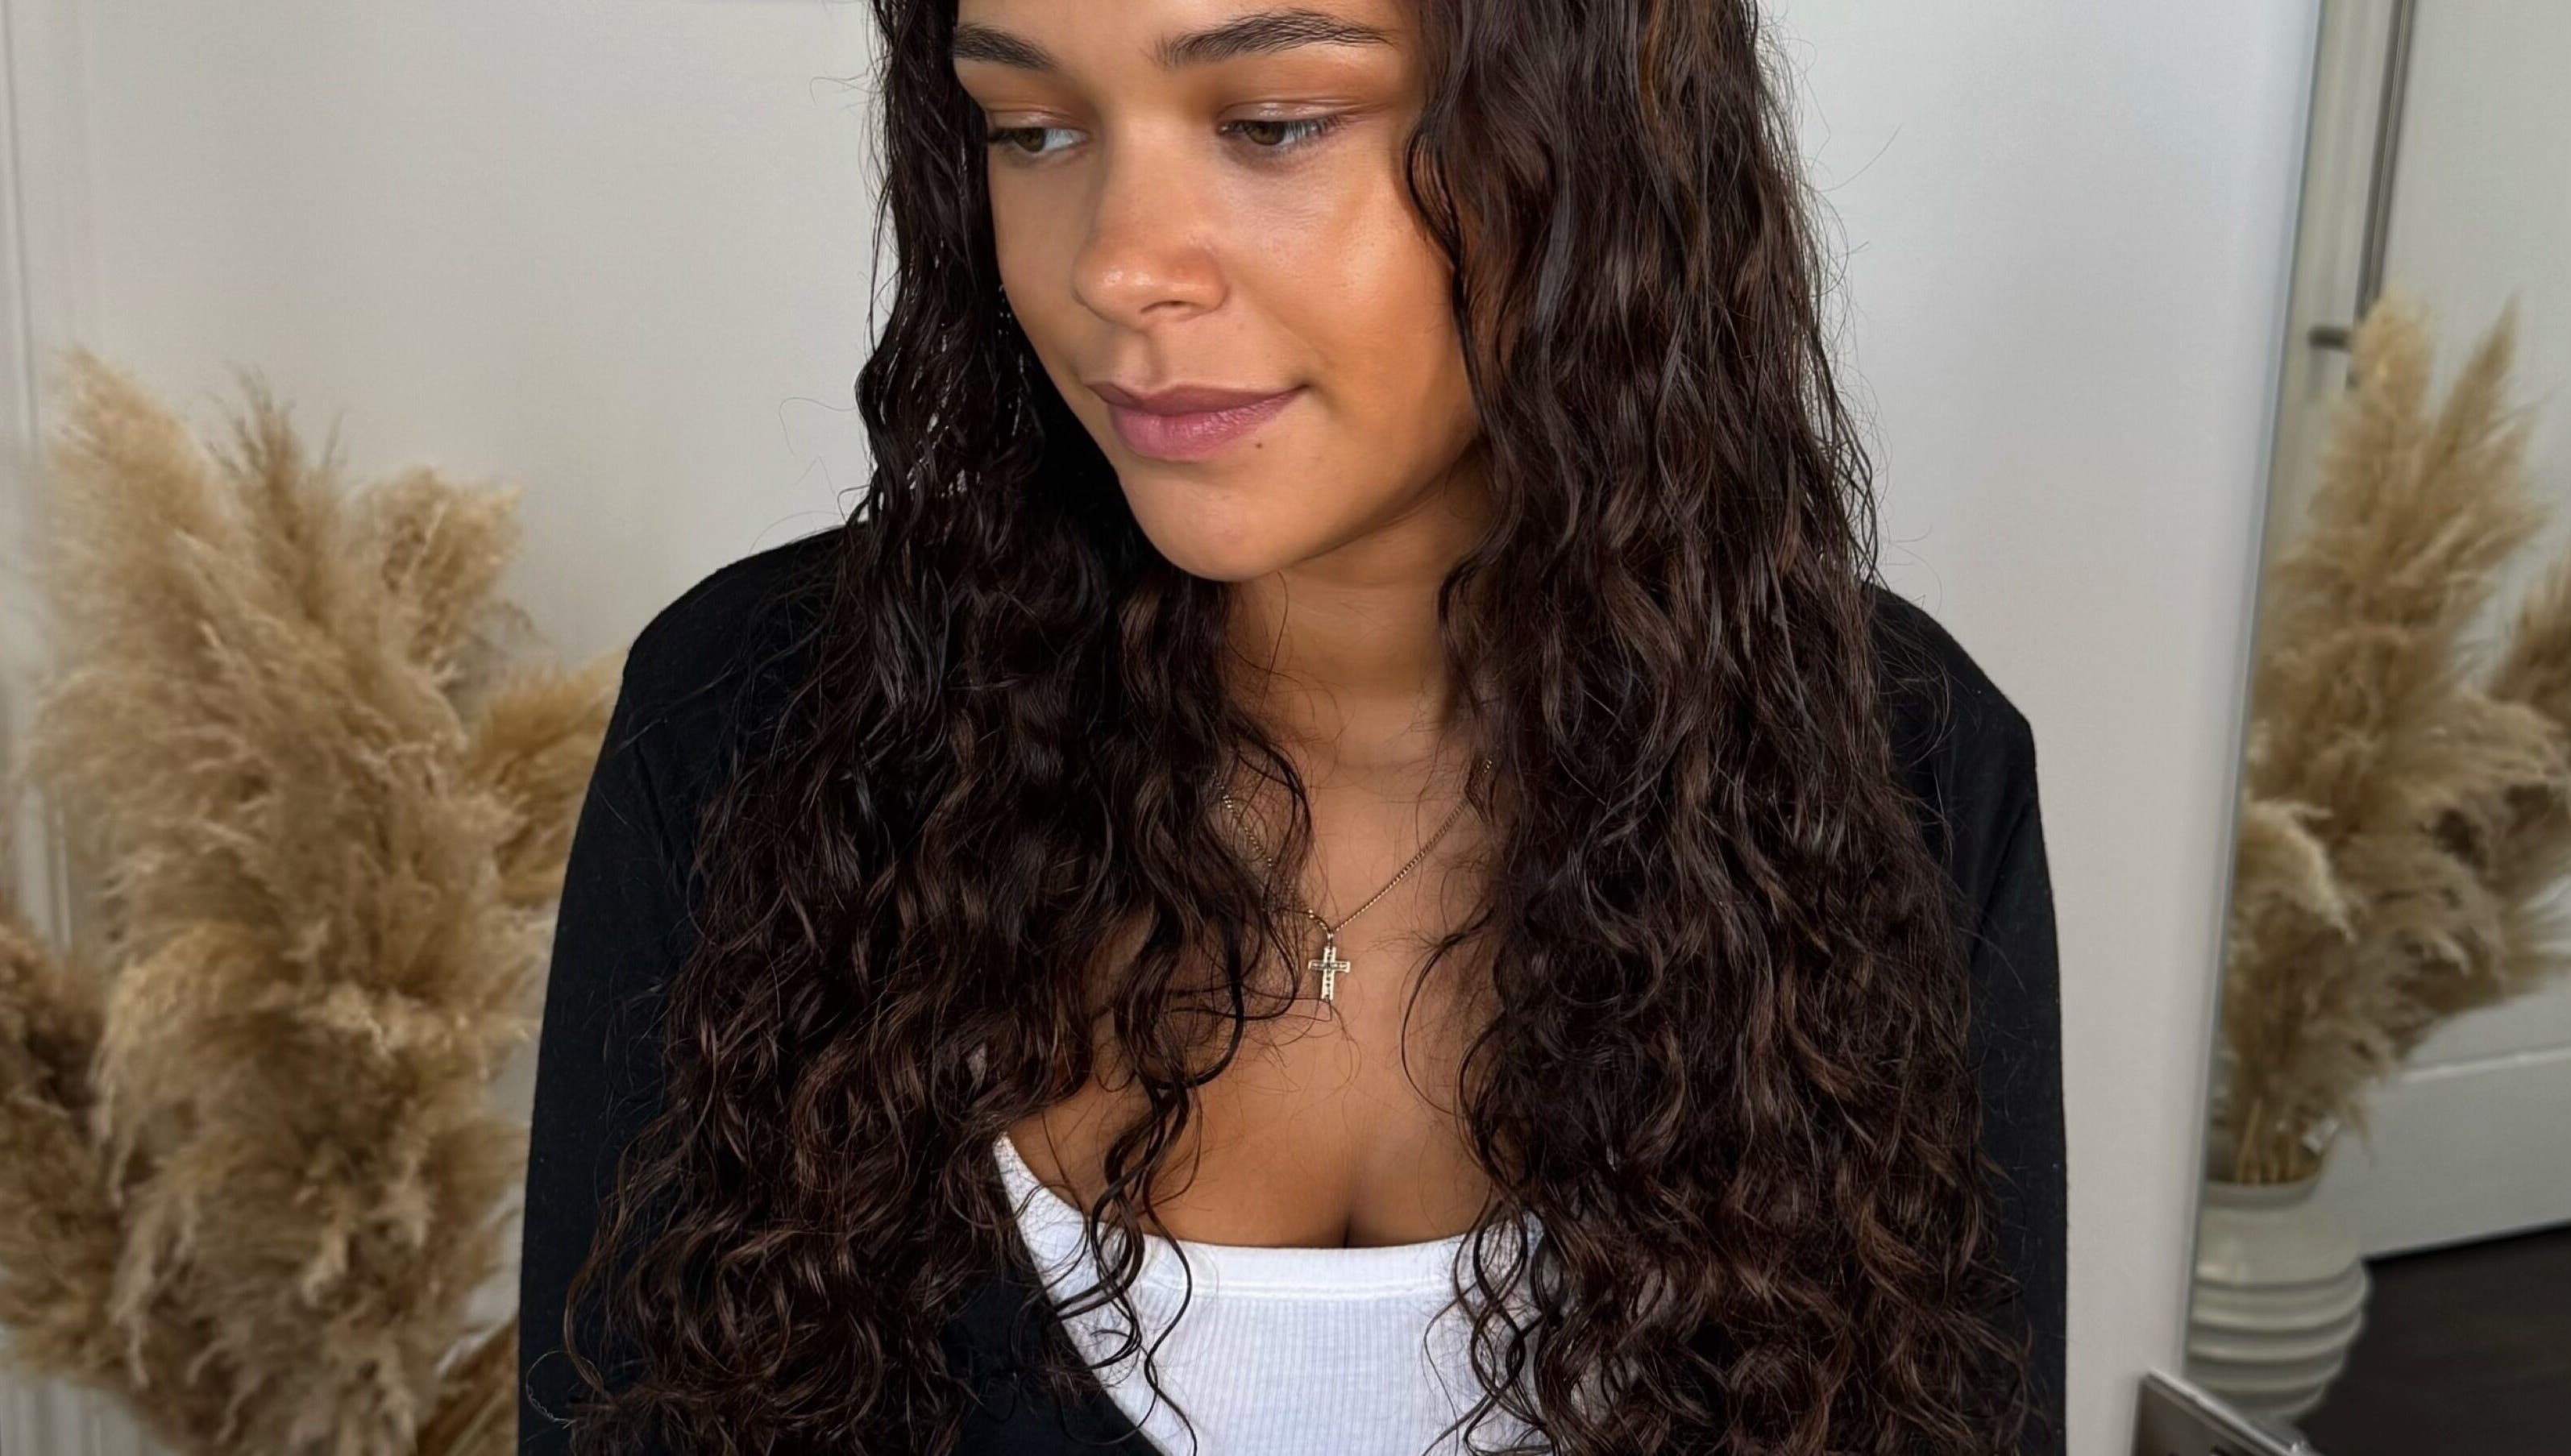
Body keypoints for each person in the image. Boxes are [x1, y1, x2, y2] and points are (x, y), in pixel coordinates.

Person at [517, 1, 2066, 1454]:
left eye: (1268, 122)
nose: (1116, 267)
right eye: (1029, 129)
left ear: (1593, 133)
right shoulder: (757, 728)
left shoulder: (1902, 768)